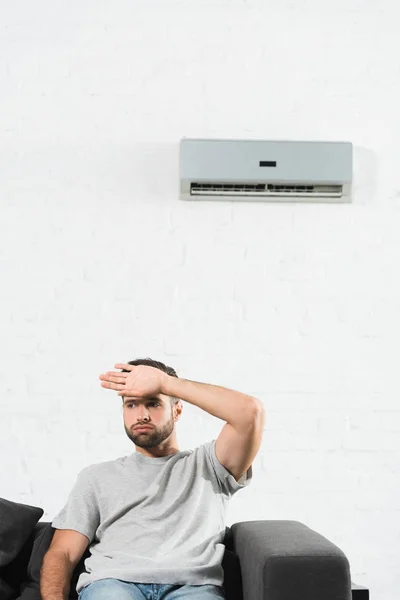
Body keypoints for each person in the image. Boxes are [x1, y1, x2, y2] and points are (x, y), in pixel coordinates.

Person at [40, 357, 265, 600]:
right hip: (114, 585)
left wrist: (165, 383)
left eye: (153, 403)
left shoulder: (210, 466)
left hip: (192, 588)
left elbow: (250, 413)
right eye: (131, 405)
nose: (142, 415)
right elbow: (61, 554)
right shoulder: (96, 477)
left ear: (177, 410)